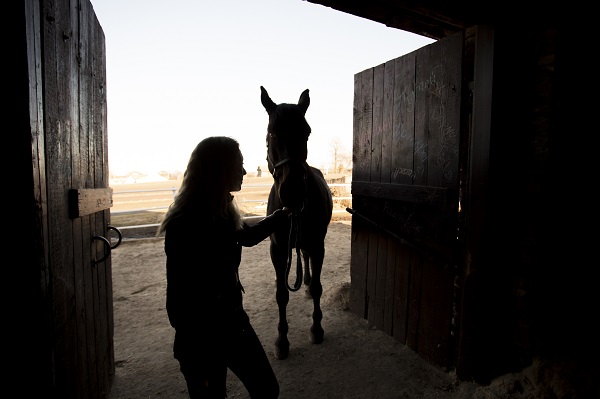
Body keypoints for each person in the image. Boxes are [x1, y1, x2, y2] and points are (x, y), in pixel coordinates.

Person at [156, 136, 290, 398]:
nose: (244, 171)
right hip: (203, 333)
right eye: (238, 165)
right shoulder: (186, 223)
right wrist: (192, 345)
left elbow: (246, 236)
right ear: (219, 169)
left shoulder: (220, 208)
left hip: (230, 321)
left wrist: (279, 216)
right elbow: (179, 296)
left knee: (266, 388)